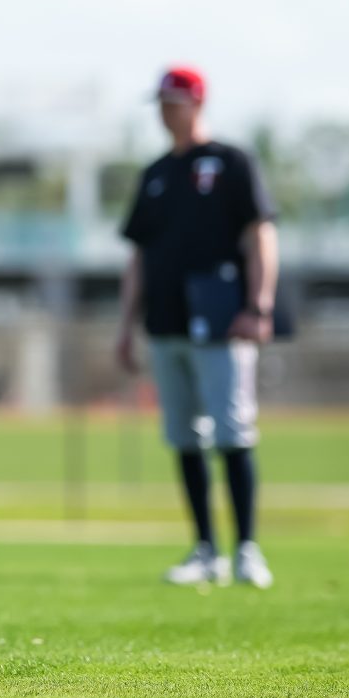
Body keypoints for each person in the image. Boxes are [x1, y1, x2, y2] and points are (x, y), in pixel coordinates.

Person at [115, 65, 278, 589]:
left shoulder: (231, 162)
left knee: (233, 431)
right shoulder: (157, 173)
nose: (166, 111)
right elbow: (138, 254)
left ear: (196, 102)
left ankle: (247, 549)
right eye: (161, 102)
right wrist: (125, 324)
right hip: (166, 320)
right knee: (185, 436)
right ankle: (206, 549)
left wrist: (260, 304)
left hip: (222, 319)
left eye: (174, 101)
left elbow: (261, 235)